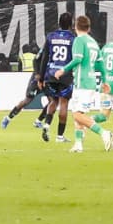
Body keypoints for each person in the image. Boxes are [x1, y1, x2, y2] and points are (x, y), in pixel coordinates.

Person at [65, 15, 113, 153]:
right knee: (78, 112)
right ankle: (78, 144)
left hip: (82, 82)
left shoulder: (79, 40)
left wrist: (63, 70)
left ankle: (104, 133)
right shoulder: (93, 42)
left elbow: (77, 60)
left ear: (75, 27)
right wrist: (105, 80)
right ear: (89, 28)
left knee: (77, 115)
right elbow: (100, 63)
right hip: (91, 82)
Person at [35, 14, 78, 144]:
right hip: (65, 74)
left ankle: (47, 125)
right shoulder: (73, 38)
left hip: (51, 73)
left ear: (59, 23)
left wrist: (41, 78)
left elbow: (44, 58)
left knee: (53, 101)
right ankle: (60, 136)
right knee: (64, 103)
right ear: (71, 24)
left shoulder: (50, 36)